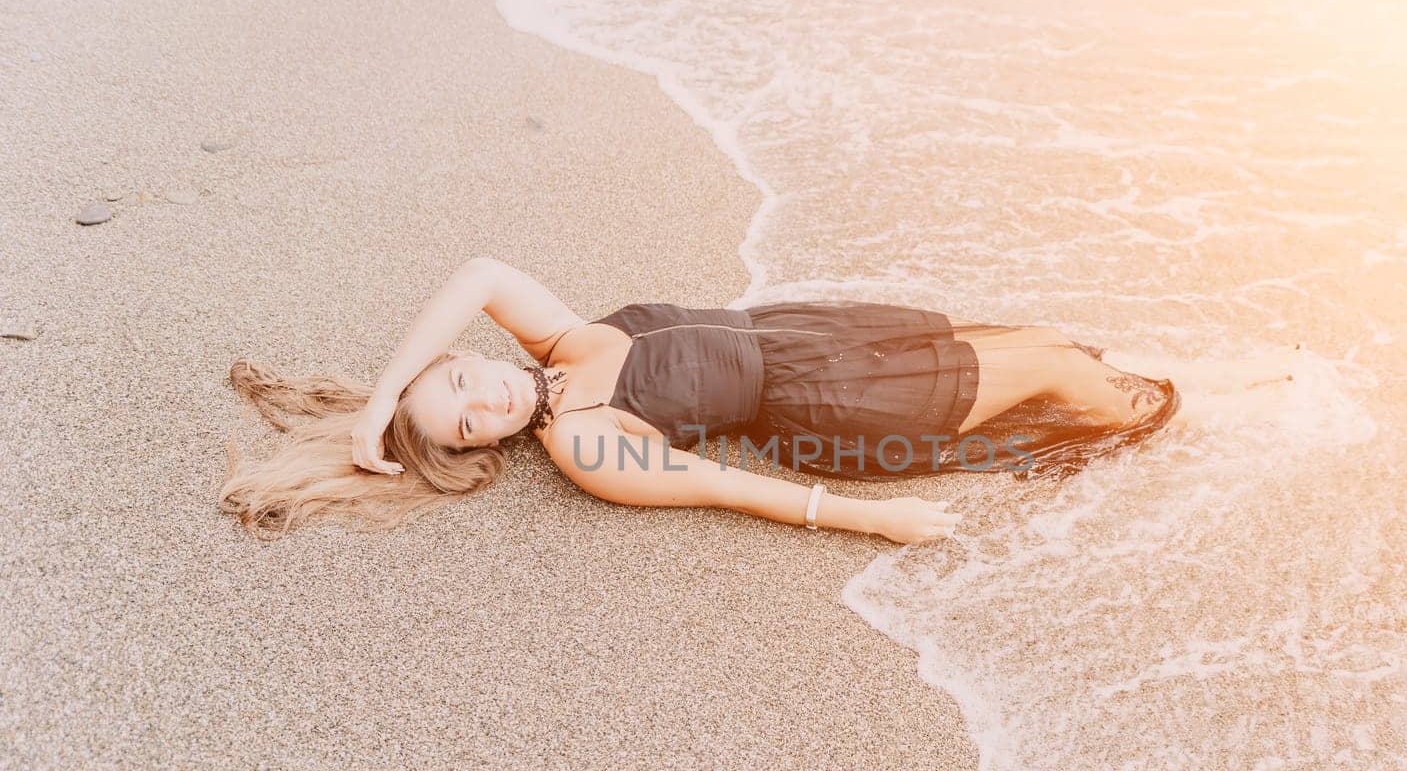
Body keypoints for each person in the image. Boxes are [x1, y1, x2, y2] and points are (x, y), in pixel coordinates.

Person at [220, 256, 1194, 543]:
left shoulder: (560, 340)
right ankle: (1185, 427)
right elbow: (725, 486)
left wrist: (385, 389)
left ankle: (1168, 397)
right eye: (470, 422)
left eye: (461, 378)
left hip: (809, 335)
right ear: (482, 451)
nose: (486, 397)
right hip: (834, 401)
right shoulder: (587, 443)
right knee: (1063, 370)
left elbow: (475, 272)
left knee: (1046, 344)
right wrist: (873, 519)